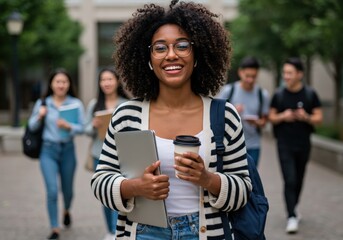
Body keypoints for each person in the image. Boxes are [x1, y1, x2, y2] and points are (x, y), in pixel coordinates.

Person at [91, 1, 252, 239]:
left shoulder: (224, 116)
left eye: (182, 45)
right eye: (160, 48)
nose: (171, 55)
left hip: (204, 232)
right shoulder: (127, 115)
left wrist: (207, 179)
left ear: (197, 55)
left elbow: (243, 189)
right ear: (148, 58)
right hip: (143, 232)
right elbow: (100, 181)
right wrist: (136, 187)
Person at [28, 68, 85, 239]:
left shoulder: (75, 104)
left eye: (64, 82)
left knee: (68, 191)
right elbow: (31, 127)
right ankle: (54, 228)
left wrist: (70, 127)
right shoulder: (43, 103)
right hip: (48, 151)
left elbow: (82, 128)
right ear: (51, 84)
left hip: (68, 150)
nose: (61, 85)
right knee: (52, 190)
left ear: (69, 84)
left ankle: (66, 210)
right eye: (57, 82)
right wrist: (39, 116)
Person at [269, 57, 323, 234]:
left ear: (300, 74)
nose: (286, 76)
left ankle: (294, 207)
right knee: (289, 179)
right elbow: (271, 117)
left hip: (303, 144)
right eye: (284, 73)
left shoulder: (310, 94)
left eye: (290, 73)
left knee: (298, 179)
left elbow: (318, 118)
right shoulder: (279, 95)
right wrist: (283, 116)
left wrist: (305, 116)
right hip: (284, 144)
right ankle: (291, 215)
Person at [85, 67, 128, 240]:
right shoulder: (94, 105)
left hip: (123, 156)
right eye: (103, 80)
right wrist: (93, 125)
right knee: (105, 194)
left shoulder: (126, 103)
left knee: (119, 192)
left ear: (117, 81)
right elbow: (86, 131)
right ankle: (110, 231)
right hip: (99, 154)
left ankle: (117, 231)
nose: (106, 83)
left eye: (110, 79)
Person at [217, 56, 269, 167]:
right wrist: (232, 110)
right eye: (247, 76)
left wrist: (257, 122)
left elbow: (264, 121)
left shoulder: (262, 94)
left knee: (251, 180)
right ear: (240, 72)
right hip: (230, 145)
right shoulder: (228, 91)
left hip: (253, 145)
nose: (250, 80)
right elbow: (217, 114)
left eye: (253, 77)